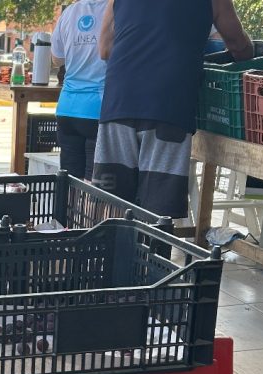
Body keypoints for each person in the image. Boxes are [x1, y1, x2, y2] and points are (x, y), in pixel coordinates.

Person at [91, 0, 252, 219]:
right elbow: (238, 44)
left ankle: (110, 242)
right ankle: (149, 242)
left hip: (119, 100)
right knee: (158, 213)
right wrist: (251, 53)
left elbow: (105, 49)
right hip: (169, 103)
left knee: (110, 205)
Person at [50, 0, 108, 181]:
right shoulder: (115, 9)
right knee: (94, 186)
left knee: (69, 182)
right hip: (98, 108)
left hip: (67, 108)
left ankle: (68, 202)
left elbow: (56, 59)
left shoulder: (69, 12)